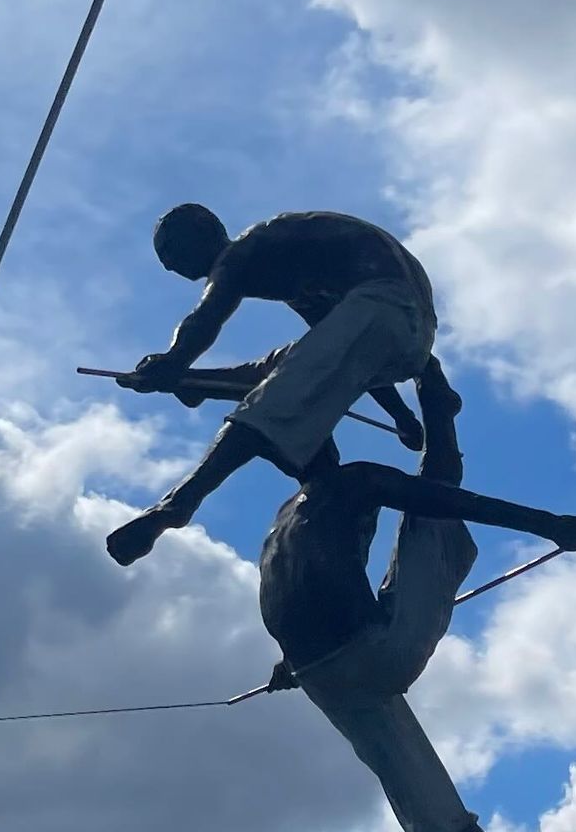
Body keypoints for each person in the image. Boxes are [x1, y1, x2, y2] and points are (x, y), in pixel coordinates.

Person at [259, 363, 576, 832]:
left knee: (432, 506)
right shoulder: (296, 515)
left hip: (357, 658)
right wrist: (286, 659)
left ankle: (440, 409)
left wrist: (551, 525)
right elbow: (302, 592)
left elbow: (449, 505)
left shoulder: (334, 493)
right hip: (337, 666)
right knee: (420, 795)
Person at [105, 204, 443, 565]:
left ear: (204, 231)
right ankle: (203, 385)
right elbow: (348, 353)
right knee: (285, 365)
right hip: (409, 333)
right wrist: (401, 416)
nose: (171, 265)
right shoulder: (304, 276)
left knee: (277, 395)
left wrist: (173, 361)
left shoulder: (244, 251)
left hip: (391, 306)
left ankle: (175, 506)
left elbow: (205, 317)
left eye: (172, 249)